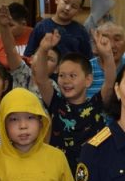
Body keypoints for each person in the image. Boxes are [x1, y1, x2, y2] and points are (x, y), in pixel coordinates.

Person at [30, 31, 117, 173]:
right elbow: (41, 79)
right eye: (62, 75)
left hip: (93, 171)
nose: (66, 80)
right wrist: (43, 49)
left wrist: (107, 55)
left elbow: (110, 83)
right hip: (59, 172)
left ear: (88, 80)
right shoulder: (55, 102)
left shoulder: (96, 104)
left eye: (73, 75)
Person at [23, 0, 91, 60]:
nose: (67, 8)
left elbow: (88, 59)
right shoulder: (41, 26)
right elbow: (28, 55)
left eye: (74, 7)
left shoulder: (81, 31)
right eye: (65, 2)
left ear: (78, 11)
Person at [0, 2, 32, 68]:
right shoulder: (0, 39)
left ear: (23, 24)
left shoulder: (34, 35)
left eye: (11, 25)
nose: (7, 28)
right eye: (6, 25)